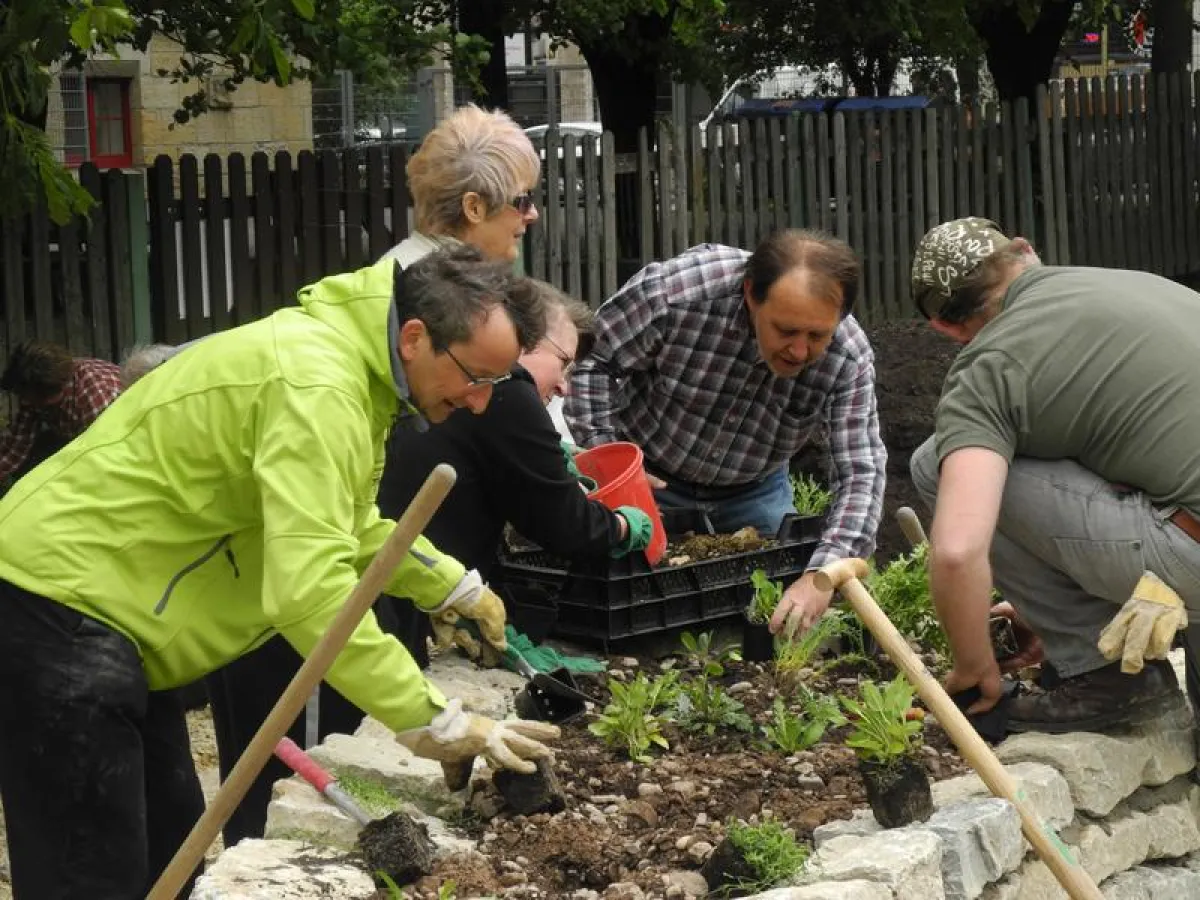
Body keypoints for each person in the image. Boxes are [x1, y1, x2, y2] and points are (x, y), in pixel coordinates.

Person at [0, 246, 560, 899]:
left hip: (101, 612)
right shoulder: (316, 386)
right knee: (90, 877)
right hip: (54, 604)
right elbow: (310, 592)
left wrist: (453, 585)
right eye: (477, 377)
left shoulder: (351, 376)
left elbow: (344, 523)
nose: (480, 402)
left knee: (168, 854)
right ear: (414, 339)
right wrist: (433, 721)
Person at [194, 103, 550, 849]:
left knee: (218, 814)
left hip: (280, 580)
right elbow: (312, 576)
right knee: (285, 806)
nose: (532, 217)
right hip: (295, 599)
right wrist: (432, 719)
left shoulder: (375, 315)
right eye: (521, 202)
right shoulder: (373, 346)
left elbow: (352, 511)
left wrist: (453, 586)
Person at [907, 216, 1200, 734]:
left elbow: (956, 552)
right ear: (1027, 252)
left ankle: (1109, 678)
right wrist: (1051, 601)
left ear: (946, 328)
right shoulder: (1136, 283)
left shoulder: (988, 369)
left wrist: (976, 666)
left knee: (938, 462)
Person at [564, 230, 887, 639]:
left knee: (763, 622)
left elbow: (861, 469)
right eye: (786, 330)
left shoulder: (848, 357)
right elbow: (595, 363)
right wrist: (610, 465)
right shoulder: (676, 294)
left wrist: (822, 577)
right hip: (648, 478)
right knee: (634, 612)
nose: (800, 351)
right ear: (751, 294)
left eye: (817, 336)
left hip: (755, 490)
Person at [379, 103, 540, 268]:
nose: (533, 214)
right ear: (473, 207)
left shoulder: (401, 272)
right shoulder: (441, 288)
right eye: (523, 201)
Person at [0, 340, 121, 490]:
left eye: (29, 397)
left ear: (52, 394)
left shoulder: (94, 396)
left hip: (115, 443)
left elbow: (107, 454)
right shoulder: (35, 391)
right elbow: (15, 447)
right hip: (78, 437)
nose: (24, 402)